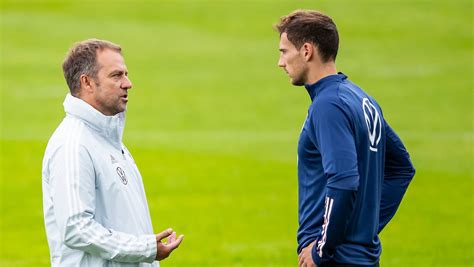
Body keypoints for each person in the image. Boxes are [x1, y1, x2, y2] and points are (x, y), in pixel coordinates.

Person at [275, 10, 415, 267]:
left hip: (335, 260)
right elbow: (401, 168)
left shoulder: (328, 106)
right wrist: (362, 229)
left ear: (306, 51)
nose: (280, 62)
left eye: (284, 52)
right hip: (361, 258)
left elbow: (343, 179)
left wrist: (322, 248)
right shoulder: (361, 99)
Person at [42, 39, 183, 266]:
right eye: (116, 75)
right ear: (87, 82)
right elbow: (76, 228)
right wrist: (144, 249)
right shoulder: (73, 145)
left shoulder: (109, 140)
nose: (128, 83)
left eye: (125, 74)